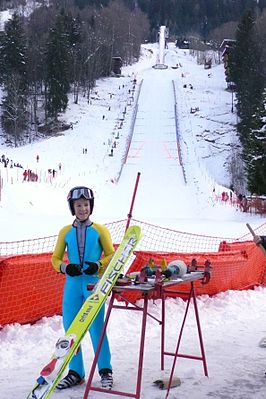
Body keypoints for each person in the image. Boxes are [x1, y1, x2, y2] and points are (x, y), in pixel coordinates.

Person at [52, 186, 115, 390]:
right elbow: (55, 258)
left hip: (92, 286)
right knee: (71, 330)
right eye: (78, 205)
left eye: (86, 205)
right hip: (72, 286)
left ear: (91, 206)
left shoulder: (100, 230)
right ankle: (76, 372)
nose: (82, 209)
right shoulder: (65, 232)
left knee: (97, 329)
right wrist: (64, 267)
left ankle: (105, 370)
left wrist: (98, 265)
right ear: (72, 207)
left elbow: (112, 255)